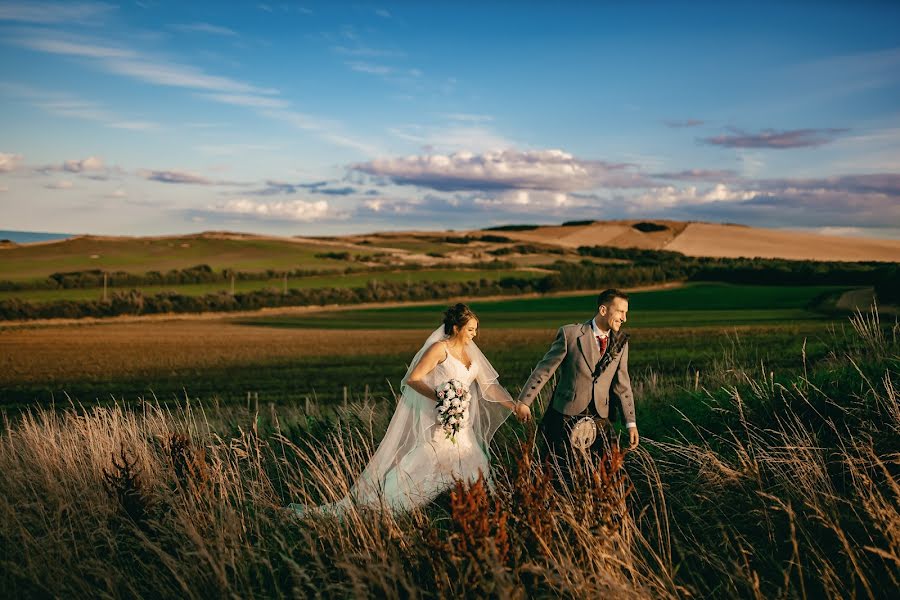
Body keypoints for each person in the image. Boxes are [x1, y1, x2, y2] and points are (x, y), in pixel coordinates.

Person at [289, 303, 521, 516]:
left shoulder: (471, 353)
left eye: (475, 329)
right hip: (440, 425)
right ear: (456, 327)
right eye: (470, 329)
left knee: (473, 469)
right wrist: (441, 397)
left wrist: (514, 405)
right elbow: (414, 379)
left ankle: (468, 513)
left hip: (463, 428)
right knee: (425, 469)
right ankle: (382, 508)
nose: (474, 334)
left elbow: (490, 388)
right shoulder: (440, 350)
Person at [513, 289, 638, 475]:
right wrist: (524, 402)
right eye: (620, 312)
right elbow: (544, 370)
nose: (624, 318)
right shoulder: (570, 334)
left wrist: (631, 423)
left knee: (603, 472)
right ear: (603, 310)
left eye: (626, 313)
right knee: (559, 470)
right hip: (565, 414)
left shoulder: (621, 343)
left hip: (600, 417)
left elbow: (622, 385)